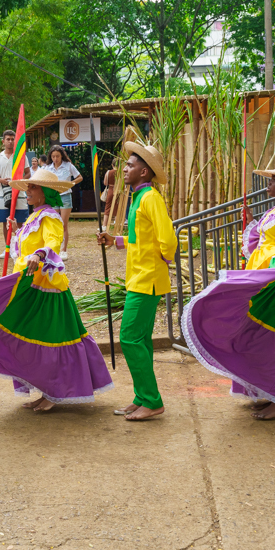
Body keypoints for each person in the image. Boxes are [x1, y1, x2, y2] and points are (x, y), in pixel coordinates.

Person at [0, 170, 113, 410]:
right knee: (26, 337)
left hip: (47, 291)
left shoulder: (50, 217)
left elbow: (53, 243)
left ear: (44, 191)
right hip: (28, 286)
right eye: (28, 187)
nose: (28, 191)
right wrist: (16, 230)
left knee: (48, 340)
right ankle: (46, 389)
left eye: (33, 187)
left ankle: (53, 392)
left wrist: (40, 254)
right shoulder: (33, 216)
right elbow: (25, 248)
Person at [181, 158, 275, 420]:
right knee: (258, 334)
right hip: (264, 276)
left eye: (274, 180)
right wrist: (251, 223)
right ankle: (272, 391)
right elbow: (261, 242)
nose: (268, 184)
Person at [95, 142, 177, 421]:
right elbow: (140, 239)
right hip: (138, 278)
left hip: (148, 279)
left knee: (129, 338)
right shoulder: (139, 198)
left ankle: (153, 401)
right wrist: (115, 240)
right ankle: (142, 396)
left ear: (144, 172)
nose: (124, 170)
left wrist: (162, 260)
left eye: (129, 166)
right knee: (140, 339)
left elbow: (167, 238)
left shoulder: (151, 198)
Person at [43, 145, 83, 260]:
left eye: (58, 156)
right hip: (53, 196)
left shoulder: (68, 166)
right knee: (54, 224)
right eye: (53, 156)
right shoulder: (47, 168)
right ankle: (53, 248)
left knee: (63, 224)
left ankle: (64, 250)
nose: (55, 158)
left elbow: (79, 177)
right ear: (50, 156)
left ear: (62, 156)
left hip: (65, 196)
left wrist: (71, 184)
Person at [0, 129, 30, 236]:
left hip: (19, 193)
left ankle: (19, 248)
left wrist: (18, 182)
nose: (10, 141)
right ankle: (7, 249)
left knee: (20, 222)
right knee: (6, 222)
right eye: (8, 139)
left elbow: (28, 173)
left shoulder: (21, 156)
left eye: (12, 139)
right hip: (4, 194)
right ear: (3, 141)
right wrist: (1, 180)